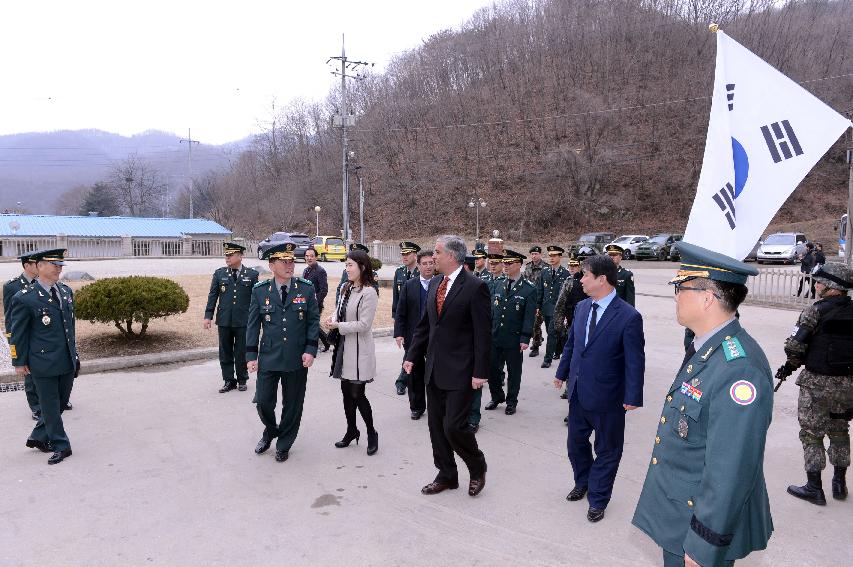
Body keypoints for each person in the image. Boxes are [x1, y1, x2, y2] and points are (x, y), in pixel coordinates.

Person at [632, 241, 773, 567]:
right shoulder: (707, 348)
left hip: (698, 524)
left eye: (681, 287)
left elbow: (731, 468)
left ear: (707, 297)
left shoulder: (739, 368)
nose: (676, 296)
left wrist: (703, 543)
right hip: (680, 511)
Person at [554, 254, 645, 523]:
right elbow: (572, 344)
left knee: (607, 449)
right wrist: (562, 373)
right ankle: (583, 481)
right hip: (579, 392)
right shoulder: (582, 308)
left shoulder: (628, 316)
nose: (580, 279)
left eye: (585, 275)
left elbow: (635, 361)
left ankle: (598, 498)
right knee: (575, 445)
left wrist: (633, 396)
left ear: (602, 279)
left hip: (609, 397)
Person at [403, 235, 490, 497]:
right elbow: (426, 326)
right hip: (434, 369)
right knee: (436, 427)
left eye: (438, 252)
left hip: (462, 371)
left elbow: (483, 334)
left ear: (452, 256)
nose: (433, 256)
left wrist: (480, 372)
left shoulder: (475, 287)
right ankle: (447, 474)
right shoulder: (436, 284)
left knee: (454, 426)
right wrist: (411, 355)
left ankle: (477, 466)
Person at [778, 262, 853, 504]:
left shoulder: (815, 311)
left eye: (820, 281)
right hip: (847, 385)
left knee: (812, 434)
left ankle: (814, 488)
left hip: (817, 384)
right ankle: (839, 485)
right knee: (840, 431)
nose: (816, 284)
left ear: (832, 285)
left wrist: (790, 364)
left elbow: (795, 346)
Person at [246, 243, 320, 463]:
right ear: (272, 265)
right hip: (269, 356)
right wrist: (251, 356)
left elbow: (313, 321)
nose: (289, 265)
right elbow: (252, 325)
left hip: (296, 357)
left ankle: (284, 442)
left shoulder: (305, 288)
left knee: (293, 403)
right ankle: (271, 430)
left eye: (291, 261)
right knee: (263, 401)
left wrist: (310, 350)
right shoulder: (260, 291)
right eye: (284, 262)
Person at [9, 249, 80, 465]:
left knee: (59, 404)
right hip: (42, 362)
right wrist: (19, 361)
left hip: (66, 359)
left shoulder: (66, 292)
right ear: (39, 266)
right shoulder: (24, 298)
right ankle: (61, 445)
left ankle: (38, 436)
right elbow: (17, 332)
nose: (59, 268)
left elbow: (70, 328)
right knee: (49, 405)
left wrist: (74, 354)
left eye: (60, 265)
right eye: (54, 264)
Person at [327, 249, 380, 456]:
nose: (347, 269)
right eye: (346, 265)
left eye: (350, 265)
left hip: (360, 351)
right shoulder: (344, 288)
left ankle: (371, 432)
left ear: (362, 267)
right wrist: (332, 319)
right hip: (344, 348)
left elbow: (364, 324)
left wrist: (338, 326)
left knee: (358, 394)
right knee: (345, 393)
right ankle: (351, 430)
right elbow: (338, 309)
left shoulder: (369, 292)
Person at [484, 249, 537, 415]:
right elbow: (492, 309)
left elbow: (529, 317)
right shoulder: (498, 283)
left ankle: (511, 401)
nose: (505, 265)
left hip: (514, 338)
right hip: (495, 335)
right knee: (492, 369)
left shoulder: (529, 289)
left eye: (510, 263)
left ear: (519, 265)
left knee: (514, 372)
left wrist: (525, 337)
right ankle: (496, 396)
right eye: (505, 263)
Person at [204, 242, 260, 393]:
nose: (227, 257)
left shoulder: (252, 275)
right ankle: (229, 380)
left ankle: (242, 379)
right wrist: (208, 316)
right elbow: (213, 295)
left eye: (231, 255)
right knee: (225, 351)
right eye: (226, 255)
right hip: (224, 320)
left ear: (240, 256)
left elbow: (256, 300)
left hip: (243, 320)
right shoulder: (219, 273)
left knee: (241, 351)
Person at [394, 250, 436, 420]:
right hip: (413, 338)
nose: (428, 266)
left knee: (435, 374)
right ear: (418, 265)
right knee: (414, 373)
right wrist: (399, 333)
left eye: (431, 263)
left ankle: (436, 407)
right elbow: (400, 311)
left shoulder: (440, 284)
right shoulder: (409, 285)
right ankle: (417, 406)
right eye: (424, 263)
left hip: (435, 338)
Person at [468, 253, 505, 432]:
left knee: (491, 369)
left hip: (492, 333)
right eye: (492, 262)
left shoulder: (499, 282)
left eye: (497, 263)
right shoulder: (483, 280)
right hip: (471, 337)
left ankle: (476, 414)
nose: (493, 265)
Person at [4, 253, 41, 420]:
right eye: (36, 263)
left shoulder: (44, 282)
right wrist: (13, 341)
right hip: (24, 336)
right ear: (27, 266)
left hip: (42, 334)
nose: (40, 266)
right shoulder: (12, 286)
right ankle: (36, 406)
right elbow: (10, 316)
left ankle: (57, 401)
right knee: (29, 373)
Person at [553, 255, 587, 403]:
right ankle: (570, 388)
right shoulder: (571, 282)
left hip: (589, 329)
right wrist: (559, 325)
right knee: (572, 358)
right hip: (573, 325)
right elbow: (560, 305)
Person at [392, 241, 421, 396]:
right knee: (410, 351)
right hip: (406, 321)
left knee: (412, 352)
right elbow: (396, 300)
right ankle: (405, 380)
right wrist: (396, 321)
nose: (404, 256)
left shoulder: (422, 272)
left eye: (407, 254)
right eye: (403, 254)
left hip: (420, 319)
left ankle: (402, 381)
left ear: (415, 255)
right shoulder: (399, 272)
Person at [537, 245, 570, 369]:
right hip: (546, 308)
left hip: (559, 309)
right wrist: (538, 306)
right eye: (550, 256)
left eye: (554, 255)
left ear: (560, 257)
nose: (551, 258)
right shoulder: (544, 272)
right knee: (553, 332)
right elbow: (540, 290)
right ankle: (557, 350)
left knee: (552, 333)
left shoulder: (565, 273)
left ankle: (547, 359)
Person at [302, 247, 330, 352]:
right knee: (312, 325)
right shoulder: (306, 270)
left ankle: (322, 343)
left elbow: (324, 290)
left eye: (312, 256)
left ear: (316, 257)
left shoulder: (320, 271)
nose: (309, 258)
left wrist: (314, 303)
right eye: (307, 256)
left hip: (316, 304)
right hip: (305, 303)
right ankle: (326, 342)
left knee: (312, 325)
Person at [523, 245, 547, 357]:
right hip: (529, 299)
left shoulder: (545, 267)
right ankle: (537, 339)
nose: (534, 256)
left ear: (540, 254)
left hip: (540, 300)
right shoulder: (527, 267)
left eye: (536, 254)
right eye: (532, 254)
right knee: (530, 322)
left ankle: (536, 346)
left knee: (536, 324)